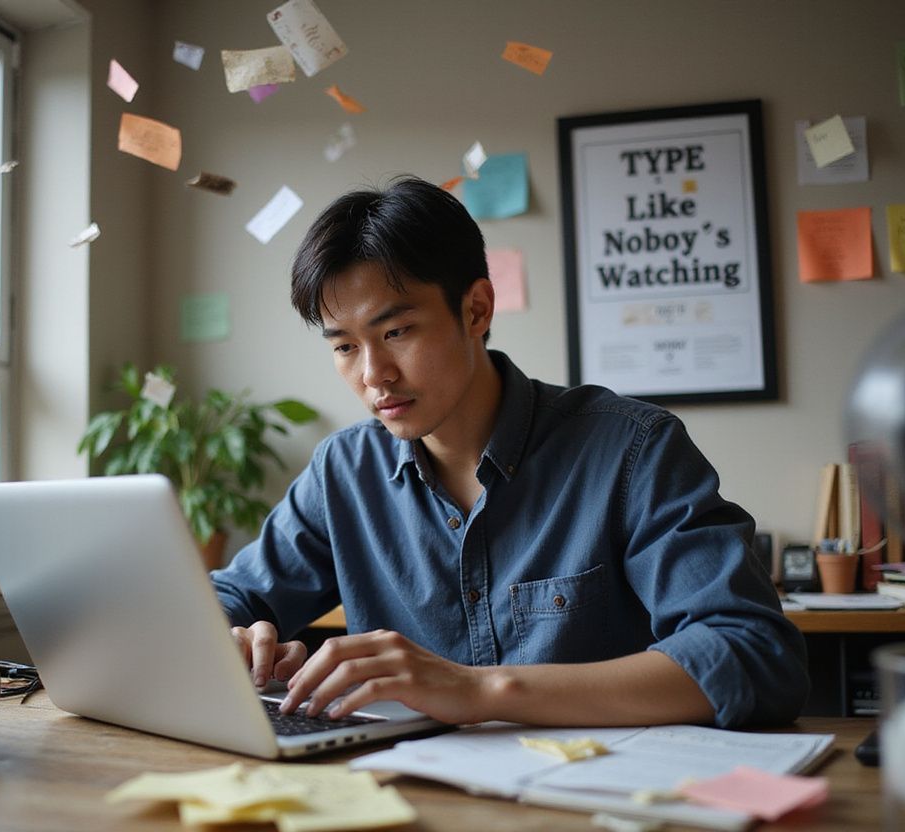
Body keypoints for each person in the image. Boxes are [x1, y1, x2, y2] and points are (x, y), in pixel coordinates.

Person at [211, 176, 809, 729]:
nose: (374, 375)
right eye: (344, 346)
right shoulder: (343, 473)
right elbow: (226, 597)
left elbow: (753, 653)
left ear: (476, 308)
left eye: (396, 332)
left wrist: (479, 690)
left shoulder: (630, 450)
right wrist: (235, 638)